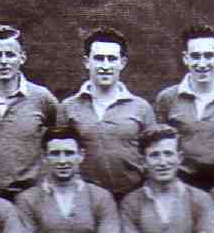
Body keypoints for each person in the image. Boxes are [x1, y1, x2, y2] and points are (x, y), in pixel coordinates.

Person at [0, 25, 60, 201]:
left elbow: (59, 141)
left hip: (32, 197)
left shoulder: (42, 97)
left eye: (10, 54)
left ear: (22, 58)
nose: (4, 61)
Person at [58, 27, 156, 199]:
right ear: (87, 62)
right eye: (98, 58)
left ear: (122, 62)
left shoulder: (141, 107)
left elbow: (153, 155)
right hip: (85, 199)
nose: (105, 66)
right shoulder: (68, 107)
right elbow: (59, 153)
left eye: (111, 59)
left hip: (132, 196)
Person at [154, 24, 214, 191]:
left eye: (208, 56)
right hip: (182, 183)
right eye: (195, 56)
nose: (202, 63)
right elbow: (159, 145)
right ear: (186, 58)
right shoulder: (167, 98)